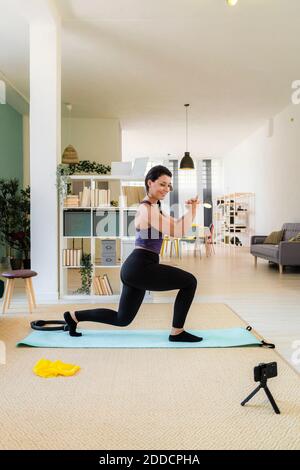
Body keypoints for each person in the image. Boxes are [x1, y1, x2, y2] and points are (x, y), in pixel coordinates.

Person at [64, 165, 202, 342]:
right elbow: (178, 232)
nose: (166, 189)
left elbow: (178, 224)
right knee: (190, 282)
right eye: (162, 184)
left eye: (169, 185)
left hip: (136, 268)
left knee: (122, 319)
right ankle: (177, 332)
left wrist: (193, 210)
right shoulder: (147, 209)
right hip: (141, 266)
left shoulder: (155, 208)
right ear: (149, 183)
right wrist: (192, 211)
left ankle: (73, 316)